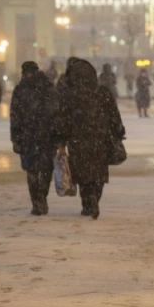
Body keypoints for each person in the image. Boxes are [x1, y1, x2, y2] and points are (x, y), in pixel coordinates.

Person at [55, 59, 126, 220]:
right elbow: (114, 116)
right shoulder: (102, 93)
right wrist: (118, 132)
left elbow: (63, 120)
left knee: (83, 173)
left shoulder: (70, 95)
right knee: (98, 172)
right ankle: (94, 199)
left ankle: (88, 203)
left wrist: (61, 140)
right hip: (100, 139)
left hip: (78, 140)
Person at [10, 61, 58, 216]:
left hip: (29, 135)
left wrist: (16, 138)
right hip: (46, 136)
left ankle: (37, 201)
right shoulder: (48, 87)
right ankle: (41, 198)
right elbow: (56, 112)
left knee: (32, 170)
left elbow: (15, 117)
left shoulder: (21, 89)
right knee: (45, 169)